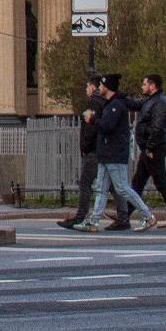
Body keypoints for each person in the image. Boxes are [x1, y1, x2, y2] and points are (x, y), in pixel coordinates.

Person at [72, 72, 157, 232]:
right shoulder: (110, 103)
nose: (99, 88)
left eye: (102, 85)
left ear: (108, 87)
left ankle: (147, 216)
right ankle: (94, 220)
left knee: (122, 188)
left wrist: (92, 119)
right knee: (101, 189)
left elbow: (107, 126)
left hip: (114, 154)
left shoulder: (116, 105)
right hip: (106, 153)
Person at [117, 72, 166, 229]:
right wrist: (118, 94)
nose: (142, 86)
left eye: (145, 84)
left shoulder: (160, 103)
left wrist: (150, 147)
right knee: (137, 182)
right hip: (148, 148)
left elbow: (158, 128)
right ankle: (125, 214)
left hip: (154, 149)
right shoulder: (150, 100)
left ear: (153, 86)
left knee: (161, 183)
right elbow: (134, 104)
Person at [59, 77, 125, 232]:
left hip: (94, 151)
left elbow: (91, 129)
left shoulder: (94, 102)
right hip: (103, 149)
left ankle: (81, 216)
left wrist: (86, 147)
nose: (86, 89)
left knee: (86, 183)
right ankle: (123, 216)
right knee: (114, 186)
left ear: (93, 86)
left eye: (87, 86)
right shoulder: (105, 102)